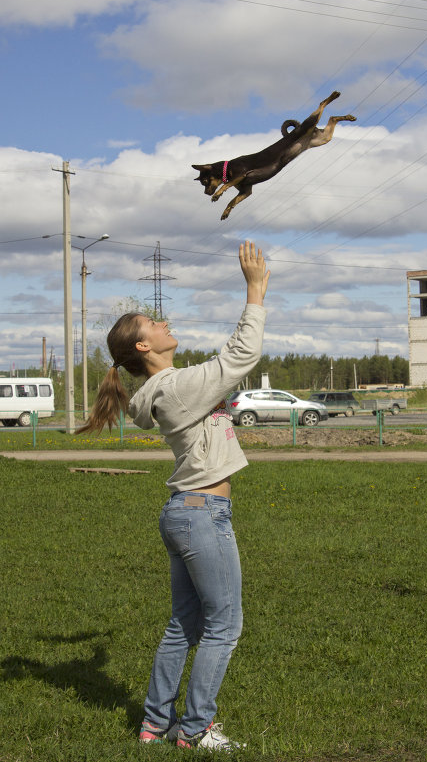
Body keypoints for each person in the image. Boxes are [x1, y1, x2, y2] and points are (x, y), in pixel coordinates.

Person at [77, 240, 269, 751]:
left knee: (184, 624)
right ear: (143, 347)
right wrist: (255, 291)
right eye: (153, 324)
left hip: (186, 513)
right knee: (224, 626)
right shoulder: (179, 387)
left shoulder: (168, 389)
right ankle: (195, 728)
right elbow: (242, 354)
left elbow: (227, 369)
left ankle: (154, 724)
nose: (164, 324)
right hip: (203, 513)